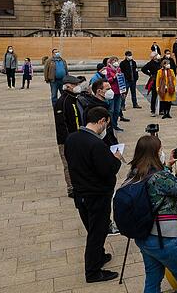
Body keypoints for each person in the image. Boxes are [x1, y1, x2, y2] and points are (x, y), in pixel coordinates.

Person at [126, 135, 177, 293]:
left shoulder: (134, 173)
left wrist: (167, 166)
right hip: (167, 238)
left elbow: (155, 185)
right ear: (155, 153)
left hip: (144, 236)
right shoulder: (159, 177)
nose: (162, 152)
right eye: (161, 150)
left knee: (152, 278)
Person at [64, 106, 122, 283]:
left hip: (81, 192)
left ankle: (99, 255)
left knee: (93, 228)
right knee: (97, 232)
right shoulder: (96, 144)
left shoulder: (72, 138)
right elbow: (108, 170)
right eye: (106, 123)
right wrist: (116, 159)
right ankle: (93, 272)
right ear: (102, 121)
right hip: (96, 195)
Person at [54, 75, 86, 198]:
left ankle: (79, 183)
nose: (78, 87)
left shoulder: (75, 98)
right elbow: (61, 125)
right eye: (75, 85)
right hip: (67, 141)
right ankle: (71, 188)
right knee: (68, 164)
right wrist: (68, 141)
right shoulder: (62, 102)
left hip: (77, 137)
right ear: (68, 86)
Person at [77, 79, 119, 147]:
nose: (111, 91)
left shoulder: (104, 105)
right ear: (99, 91)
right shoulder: (93, 109)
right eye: (108, 89)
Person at [142, 52, 162, 117]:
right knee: (154, 96)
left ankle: (161, 109)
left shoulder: (160, 62)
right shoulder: (150, 63)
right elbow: (143, 69)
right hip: (155, 80)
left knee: (162, 95)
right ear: (153, 57)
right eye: (156, 55)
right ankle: (153, 110)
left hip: (161, 80)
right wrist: (150, 74)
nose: (158, 56)